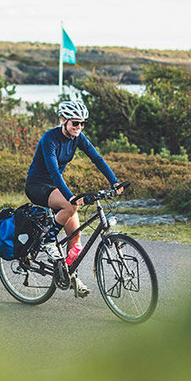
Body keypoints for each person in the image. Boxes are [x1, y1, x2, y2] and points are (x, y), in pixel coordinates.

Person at [25, 99, 122, 298]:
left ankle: (70, 275)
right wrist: (70, 197)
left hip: (54, 187)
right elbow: (54, 173)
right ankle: (48, 241)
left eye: (82, 123)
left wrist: (114, 182)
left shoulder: (78, 138)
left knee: (75, 235)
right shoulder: (49, 139)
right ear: (64, 120)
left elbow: (97, 159)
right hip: (37, 185)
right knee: (71, 208)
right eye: (75, 123)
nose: (79, 127)